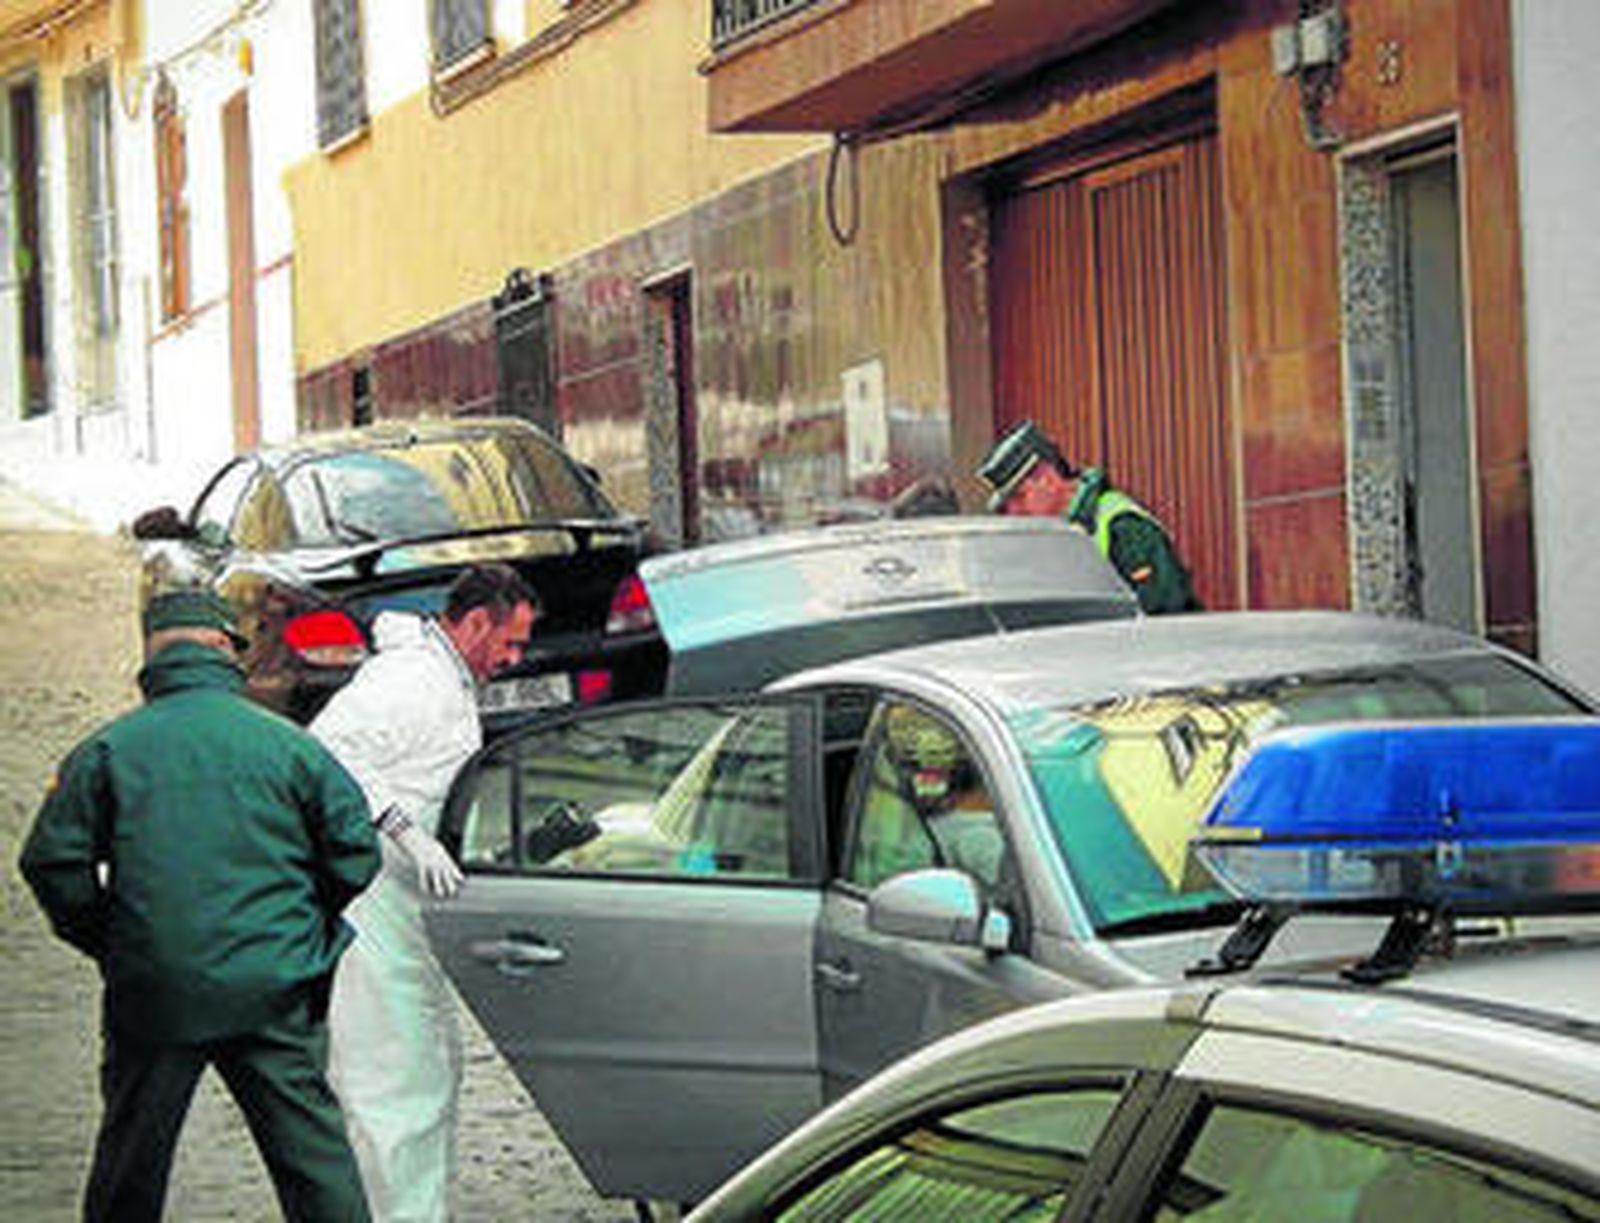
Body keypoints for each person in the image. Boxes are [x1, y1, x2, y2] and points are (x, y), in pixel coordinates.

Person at [19, 587, 380, 1223]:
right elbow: (355, 850)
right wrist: (301, 924)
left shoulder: (107, 750)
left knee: (131, 1161)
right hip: (274, 979)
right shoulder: (290, 745)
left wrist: (112, 939)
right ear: (222, 649)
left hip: (156, 986)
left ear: (152, 656)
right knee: (314, 1163)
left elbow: (51, 863)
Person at [311, 562, 538, 1223]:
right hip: (373, 911)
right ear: (476, 623)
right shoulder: (411, 679)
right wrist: (405, 831)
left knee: (425, 1073)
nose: (515, 659)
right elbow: (329, 749)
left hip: (404, 916)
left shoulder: (444, 678)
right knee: (394, 1084)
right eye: (511, 642)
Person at [977, 419, 1202, 614]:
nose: (1014, 512)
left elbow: (1166, 615)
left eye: (1019, 497)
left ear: (1046, 476)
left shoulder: (1124, 527)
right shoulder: (1048, 535)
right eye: (1007, 506)